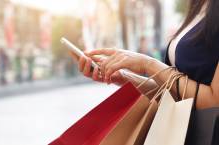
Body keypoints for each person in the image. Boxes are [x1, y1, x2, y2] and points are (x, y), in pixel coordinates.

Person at [70, 0, 219, 109]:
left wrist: (148, 64)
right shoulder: (200, 6)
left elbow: (214, 101)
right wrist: (125, 77)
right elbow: (173, 93)